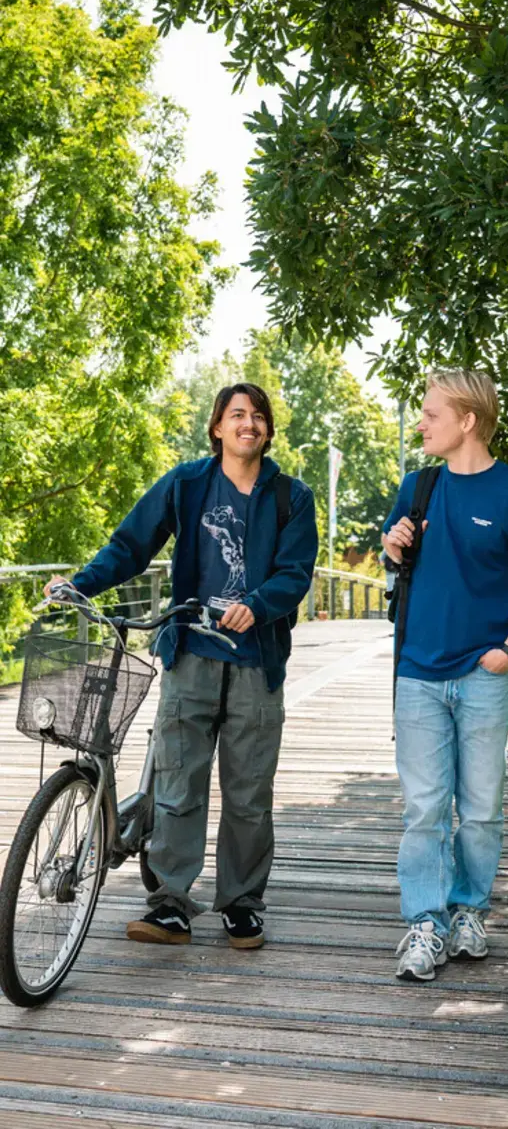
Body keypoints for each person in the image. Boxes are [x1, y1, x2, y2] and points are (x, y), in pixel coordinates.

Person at [45, 383, 318, 949]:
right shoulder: (187, 483)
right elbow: (130, 546)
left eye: (258, 416)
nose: (250, 423)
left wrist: (258, 605)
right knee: (177, 783)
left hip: (256, 663)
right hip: (190, 653)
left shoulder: (292, 496)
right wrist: (81, 583)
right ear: (217, 426)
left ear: (267, 430)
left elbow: (295, 573)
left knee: (248, 793)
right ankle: (170, 901)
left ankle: (241, 903)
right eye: (237, 414)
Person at [382, 370, 508, 982]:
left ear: (468, 422)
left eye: (432, 414)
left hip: (485, 675)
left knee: (481, 809)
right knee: (425, 808)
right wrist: (393, 541)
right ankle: (425, 924)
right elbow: (393, 555)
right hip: (419, 674)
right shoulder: (419, 487)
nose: (422, 423)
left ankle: (469, 911)